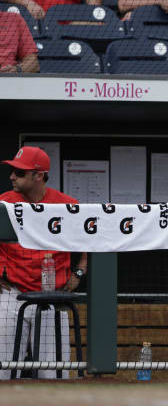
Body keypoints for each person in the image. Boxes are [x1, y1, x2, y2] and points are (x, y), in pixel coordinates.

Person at [0, 146, 87, 380]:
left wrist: (79, 271)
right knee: (3, 370)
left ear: (38, 175)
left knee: (53, 373)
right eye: (12, 171)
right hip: (11, 294)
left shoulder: (66, 204)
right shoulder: (3, 203)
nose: (11, 176)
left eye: (19, 172)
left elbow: (88, 241)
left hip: (52, 295)